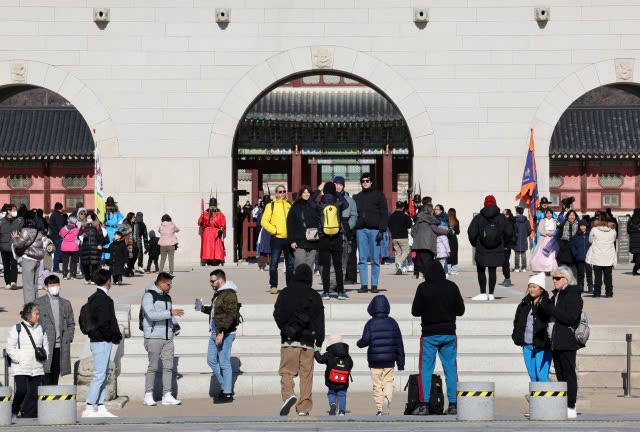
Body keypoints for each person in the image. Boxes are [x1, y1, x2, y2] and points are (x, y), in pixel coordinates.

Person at [411, 261, 465, 415]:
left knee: (426, 370)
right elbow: (460, 310)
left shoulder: (423, 287)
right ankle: (454, 404)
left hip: (429, 334)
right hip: (448, 334)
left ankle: (424, 405)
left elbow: (415, 311)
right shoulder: (452, 286)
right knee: (451, 369)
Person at [273, 264, 325, 417]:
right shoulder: (314, 295)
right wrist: (319, 342)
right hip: (308, 343)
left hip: (289, 342)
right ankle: (304, 408)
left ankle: (289, 394)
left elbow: (277, 314)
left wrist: (285, 329)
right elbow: (319, 320)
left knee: (287, 372)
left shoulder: (285, 293)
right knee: (306, 376)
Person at [540, 266, 583, 419]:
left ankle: (571, 405)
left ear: (567, 279)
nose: (554, 281)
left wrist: (550, 309)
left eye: (557, 278)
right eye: (553, 278)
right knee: (560, 374)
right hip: (555, 341)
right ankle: (563, 403)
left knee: (569, 374)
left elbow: (570, 317)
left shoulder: (573, 295)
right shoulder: (557, 294)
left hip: (567, 341)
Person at [82, 269, 122, 418]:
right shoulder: (102, 299)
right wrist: (112, 336)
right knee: (99, 375)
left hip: (98, 340)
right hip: (102, 340)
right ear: (108, 281)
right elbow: (105, 322)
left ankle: (100, 406)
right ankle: (88, 406)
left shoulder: (94, 297)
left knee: (103, 374)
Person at [356, 295, 405, 416]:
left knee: (377, 384)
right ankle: (388, 398)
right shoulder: (393, 322)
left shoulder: (370, 323)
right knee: (388, 381)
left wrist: (359, 343)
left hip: (375, 360)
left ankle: (379, 408)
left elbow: (365, 340)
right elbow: (399, 344)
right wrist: (401, 363)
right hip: (389, 360)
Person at [512, 272, 552, 418]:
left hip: (542, 346)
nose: (531, 289)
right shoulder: (524, 304)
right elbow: (517, 321)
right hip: (527, 346)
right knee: (533, 376)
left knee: (542, 376)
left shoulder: (547, 304)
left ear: (541, 288)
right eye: (530, 287)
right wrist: (516, 336)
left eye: (534, 287)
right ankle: (535, 407)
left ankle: (546, 407)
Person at [142, 272, 184, 406]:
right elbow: (151, 315)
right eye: (168, 284)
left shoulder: (167, 297)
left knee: (168, 366)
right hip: (153, 336)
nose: (170, 287)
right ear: (161, 283)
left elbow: (169, 315)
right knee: (153, 367)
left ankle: (167, 395)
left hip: (168, 336)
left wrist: (175, 324)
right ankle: (148, 395)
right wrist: (170, 313)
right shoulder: (149, 295)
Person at [200, 269, 239, 404]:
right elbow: (217, 312)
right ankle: (225, 387)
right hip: (216, 332)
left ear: (220, 280)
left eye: (212, 281)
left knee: (224, 362)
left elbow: (231, 314)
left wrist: (222, 331)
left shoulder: (229, 294)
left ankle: (227, 394)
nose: (211, 284)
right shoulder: (220, 294)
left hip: (225, 333)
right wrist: (203, 309)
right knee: (211, 360)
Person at [467, 195, 513, 301]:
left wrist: (475, 243)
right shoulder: (501, 217)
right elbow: (509, 232)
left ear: (484, 204)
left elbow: (471, 232)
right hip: (496, 248)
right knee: (493, 271)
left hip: (481, 248)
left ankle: (483, 293)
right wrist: (503, 242)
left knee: (481, 270)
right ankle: (491, 294)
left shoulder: (478, 217)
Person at [6, 302, 48, 418]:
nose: (39, 316)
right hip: (21, 366)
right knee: (22, 390)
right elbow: (10, 347)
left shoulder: (41, 329)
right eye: (36, 314)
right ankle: (14, 410)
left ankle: (28, 415)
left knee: (34, 393)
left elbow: (46, 346)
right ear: (28, 315)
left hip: (36, 366)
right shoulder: (17, 329)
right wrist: (19, 359)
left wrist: (44, 357)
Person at [34, 275, 75, 385]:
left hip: (60, 345)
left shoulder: (66, 303)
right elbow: (33, 322)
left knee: (56, 373)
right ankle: (44, 398)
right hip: (45, 345)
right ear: (46, 287)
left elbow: (71, 322)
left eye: (56, 285)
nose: (55, 287)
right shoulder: (38, 302)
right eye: (52, 285)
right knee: (45, 373)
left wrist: (69, 336)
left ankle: (52, 398)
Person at [309, 182, 348, 300]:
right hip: (337, 237)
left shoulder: (320, 204)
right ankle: (340, 292)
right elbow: (346, 204)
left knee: (325, 266)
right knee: (338, 266)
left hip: (323, 237)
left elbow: (310, 202)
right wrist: (337, 193)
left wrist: (318, 190)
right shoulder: (338, 203)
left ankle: (326, 292)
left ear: (324, 191)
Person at [353, 172, 388, 294]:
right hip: (361, 230)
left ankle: (374, 284)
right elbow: (353, 214)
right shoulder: (356, 197)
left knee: (374, 259)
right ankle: (363, 285)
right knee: (362, 258)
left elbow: (384, 213)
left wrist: (382, 230)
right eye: (362, 181)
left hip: (375, 230)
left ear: (371, 182)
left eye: (367, 180)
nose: (365, 183)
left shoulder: (379, 196)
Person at [262, 186, 294, 294]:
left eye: (284, 191)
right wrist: (274, 230)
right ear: (275, 194)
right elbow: (264, 221)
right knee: (274, 264)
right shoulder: (271, 205)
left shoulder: (289, 204)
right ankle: (273, 285)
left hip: (289, 238)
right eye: (280, 192)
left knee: (290, 265)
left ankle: (290, 285)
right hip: (276, 238)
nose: (282, 193)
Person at [314, 335, 353, 416]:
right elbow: (350, 365)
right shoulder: (347, 355)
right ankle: (342, 411)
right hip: (343, 380)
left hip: (331, 380)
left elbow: (320, 360)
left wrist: (316, 351)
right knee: (342, 394)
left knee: (331, 393)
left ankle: (333, 405)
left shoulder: (329, 354)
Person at [12, 211, 45, 304]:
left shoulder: (26, 230)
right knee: (34, 285)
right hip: (37, 259)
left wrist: (15, 237)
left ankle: (29, 308)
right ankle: (35, 305)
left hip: (29, 258)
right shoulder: (38, 231)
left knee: (28, 286)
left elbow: (19, 244)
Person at [412, 204, 448, 280]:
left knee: (420, 259)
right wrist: (447, 231)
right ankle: (426, 275)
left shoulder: (419, 219)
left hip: (418, 244)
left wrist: (417, 237)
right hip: (428, 244)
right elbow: (436, 229)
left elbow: (413, 230)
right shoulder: (431, 220)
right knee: (428, 261)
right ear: (430, 210)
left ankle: (420, 274)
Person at [286, 185, 319, 269]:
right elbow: (290, 224)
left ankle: (308, 282)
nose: (306, 194)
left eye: (308, 192)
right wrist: (292, 241)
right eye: (304, 192)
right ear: (300, 194)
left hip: (313, 240)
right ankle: (299, 282)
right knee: (300, 264)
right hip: (299, 240)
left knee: (310, 266)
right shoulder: (295, 207)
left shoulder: (314, 206)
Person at [333, 177, 358, 284]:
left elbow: (354, 216)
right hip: (332, 231)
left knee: (348, 256)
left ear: (343, 186)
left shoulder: (350, 201)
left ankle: (349, 278)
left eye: (340, 184)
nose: (338, 186)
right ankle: (334, 279)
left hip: (346, 230)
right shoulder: (329, 199)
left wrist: (346, 227)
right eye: (336, 184)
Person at [586, 214, 617, 298]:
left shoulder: (594, 229)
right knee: (608, 276)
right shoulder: (613, 230)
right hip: (609, 256)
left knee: (597, 276)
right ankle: (609, 293)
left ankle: (597, 293)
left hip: (597, 256)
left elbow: (590, 240)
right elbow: (614, 239)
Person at [79, 212, 107, 284]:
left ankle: (93, 279)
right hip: (85, 247)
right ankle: (87, 278)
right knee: (86, 264)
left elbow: (100, 236)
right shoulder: (83, 225)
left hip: (95, 247)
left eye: (90, 218)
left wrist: (100, 244)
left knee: (94, 264)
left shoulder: (97, 225)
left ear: (93, 218)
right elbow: (78, 234)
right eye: (87, 218)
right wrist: (82, 235)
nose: (88, 219)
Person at [198, 198, 226, 266]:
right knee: (208, 247)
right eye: (211, 205)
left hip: (216, 231)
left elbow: (223, 223)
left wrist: (221, 231)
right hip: (207, 232)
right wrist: (201, 222)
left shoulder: (220, 214)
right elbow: (200, 222)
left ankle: (216, 260)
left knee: (217, 246)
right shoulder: (205, 213)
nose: (212, 206)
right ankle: (208, 260)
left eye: (213, 205)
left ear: (216, 205)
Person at [530, 208, 559, 275]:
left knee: (553, 253)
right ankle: (544, 268)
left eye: (550, 213)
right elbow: (539, 229)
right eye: (547, 213)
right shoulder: (543, 220)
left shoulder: (555, 221)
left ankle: (552, 268)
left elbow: (557, 229)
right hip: (545, 238)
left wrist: (554, 233)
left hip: (553, 238)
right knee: (542, 253)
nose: (549, 215)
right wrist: (546, 233)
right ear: (545, 214)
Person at [1, 204, 23, 290]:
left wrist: (19, 234)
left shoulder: (18, 221)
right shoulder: (1, 221)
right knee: (6, 265)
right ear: (8, 211)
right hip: (4, 246)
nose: (15, 212)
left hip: (15, 246)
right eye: (13, 210)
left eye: (15, 210)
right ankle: (7, 283)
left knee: (14, 264)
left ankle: (14, 282)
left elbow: (22, 231)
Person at [388, 201, 413, 275]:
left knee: (398, 253)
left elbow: (388, 225)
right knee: (405, 252)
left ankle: (398, 268)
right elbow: (409, 225)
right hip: (403, 237)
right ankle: (399, 265)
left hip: (394, 237)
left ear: (396, 207)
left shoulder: (391, 216)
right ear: (402, 208)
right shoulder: (405, 216)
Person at [570, 219, 593, 294]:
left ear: (586, 226)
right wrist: (575, 254)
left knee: (589, 273)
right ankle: (580, 287)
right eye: (581, 226)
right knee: (580, 274)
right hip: (579, 258)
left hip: (589, 258)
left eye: (584, 226)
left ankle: (590, 287)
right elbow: (572, 246)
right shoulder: (576, 236)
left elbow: (593, 245)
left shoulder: (590, 235)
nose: (583, 227)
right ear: (579, 227)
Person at [556, 210, 580, 275]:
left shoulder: (579, 224)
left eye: (573, 215)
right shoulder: (563, 224)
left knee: (575, 267)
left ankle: (575, 282)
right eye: (570, 215)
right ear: (567, 216)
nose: (571, 217)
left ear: (575, 216)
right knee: (565, 268)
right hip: (565, 248)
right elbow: (559, 236)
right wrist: (562, 245)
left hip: (575, 248)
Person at [59, 215, 80, 280]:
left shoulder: (63, 228)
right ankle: (73, 275)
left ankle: (64, 275)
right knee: (74, 262)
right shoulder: (76, 229)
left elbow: (60, 234)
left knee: (65, 262)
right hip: (74, 247)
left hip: (65, 246)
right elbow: (77, 235)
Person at [498, 209, 516, 287]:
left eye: (504, 214)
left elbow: (508, 235)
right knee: (503, 262)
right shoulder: (503, 222)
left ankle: (507, 279)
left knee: (505, 262)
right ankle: (506, 278)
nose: (502, 215)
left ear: (508, 215)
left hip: (506, 245)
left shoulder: (509, 223)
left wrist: (505, 244)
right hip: (503, 245)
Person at [103, 197, 124, 263]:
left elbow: (120, 221)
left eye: (111, 205)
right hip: (107, 230)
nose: (110, 206)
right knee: (107, 244)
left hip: (115, 230)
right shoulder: (105, 212)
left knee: (115, 244)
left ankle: (114, 257)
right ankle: (107, 259)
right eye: (109, 205)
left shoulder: (117, 213)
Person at [48, 202, 66, 273]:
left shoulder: (53, 214)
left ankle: (55, 268)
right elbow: (60, 227)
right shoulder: (58, 215)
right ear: (61, 208)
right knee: (58, 253)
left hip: (53, 235)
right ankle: (56, 268)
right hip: (58, 236)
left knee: (55, 253)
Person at [513, 206, 532, 272]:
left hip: (516, 239)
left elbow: (512, 230)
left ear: (517, 212)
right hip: (524, 239)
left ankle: (517, 268)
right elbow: (529, 230)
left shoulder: (514, 220)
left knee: (517, 254)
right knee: (523, 254)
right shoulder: (526, 221)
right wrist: (525, 235)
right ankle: (524, 268)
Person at [118, 213, 137, 277]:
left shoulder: (134, 224)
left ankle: (130, 269)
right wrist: (127, 231)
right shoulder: (124, 224)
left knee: (133, 257)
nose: (135, 218)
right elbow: (119, 233)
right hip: (127, 243)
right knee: (128, 257)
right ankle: (126, 271)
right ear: (130, 217)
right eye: (134, 217)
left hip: (133, 242)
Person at [434, 204, 451, 275]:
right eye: (435, 209)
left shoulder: (443, 217)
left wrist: (448, 251)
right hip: (437, 243)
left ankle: (445, 272)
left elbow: (445, 229)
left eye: (437, 209)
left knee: (443, 260)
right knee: (440, 261)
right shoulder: (434, 217)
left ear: (441, 210)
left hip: (441, 243)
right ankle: (442, 273)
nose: (435, 210)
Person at [255, 200, 272, 271]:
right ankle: (270, 265)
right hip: (269, 230)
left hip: (267, 231)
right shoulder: (264, 213)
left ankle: (263, 265)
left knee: (264, 249)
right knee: (268, 249)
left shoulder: (261, 214)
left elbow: (258, 224)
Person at [446, 208, 460, 276]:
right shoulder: (456, 221)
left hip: (446, 239)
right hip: (454, 239)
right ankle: (453, 270)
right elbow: (458, 232)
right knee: (454, 254)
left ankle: (446, 270)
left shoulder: (446, 221)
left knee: (446, 253)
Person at [627, 208, 640, 275]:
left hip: (633, 240)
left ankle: (635, 269)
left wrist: (633, 233)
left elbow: (628, 231)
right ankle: (635, 269)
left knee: (637, 255)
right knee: (638, 256)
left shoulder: (630, 220)